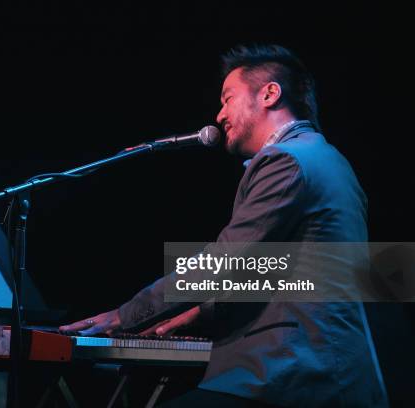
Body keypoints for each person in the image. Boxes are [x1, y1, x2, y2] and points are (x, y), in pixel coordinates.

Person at [60, 44, 388, 407]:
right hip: (329, 371)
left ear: (269, 93)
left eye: (228, 98)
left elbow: (223, 263)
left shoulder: (286, 161)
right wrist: (204, 311)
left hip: (295, 373)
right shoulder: (327, 159)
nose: (219, 115)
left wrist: (125, 315)